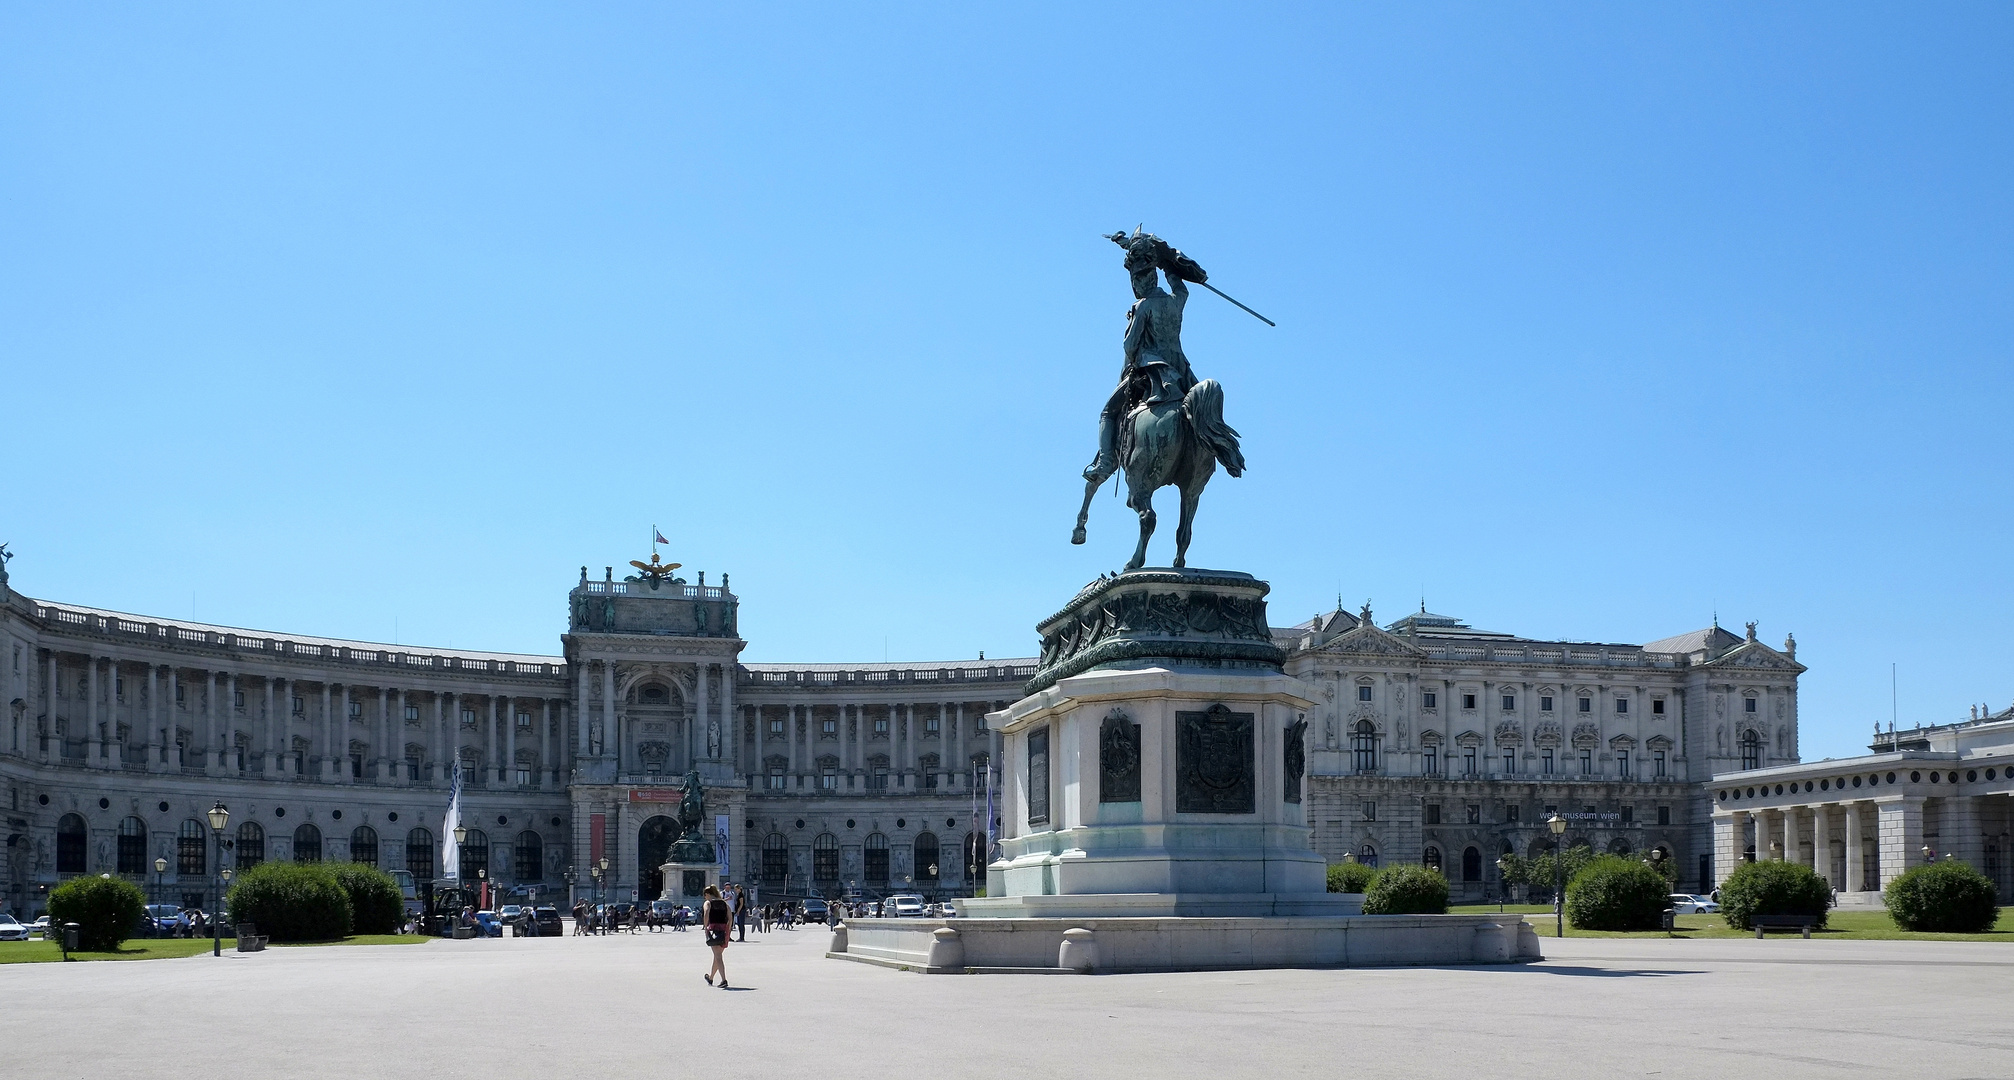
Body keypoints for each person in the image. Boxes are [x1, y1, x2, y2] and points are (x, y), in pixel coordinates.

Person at [701, 885, 732, 989]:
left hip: (714, 929)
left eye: (705, 895)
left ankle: (724, 980)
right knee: (717, 955)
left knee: (718, 956)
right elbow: (730, 918)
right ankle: (710, 977)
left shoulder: (708, 903)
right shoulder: (724, 903)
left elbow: (706, 914)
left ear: (708, 894)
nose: (705, 897)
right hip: (724, 929)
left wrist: (706, 927)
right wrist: (728, 930)